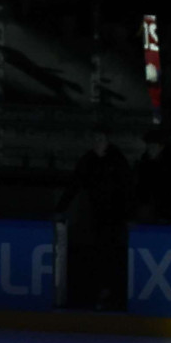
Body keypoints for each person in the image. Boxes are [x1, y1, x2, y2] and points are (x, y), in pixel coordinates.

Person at [57, 128, 132, 310]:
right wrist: (60, 208)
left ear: (108, 141)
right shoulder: (88, 160)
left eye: (101, 139)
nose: (97, 142)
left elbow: (127, 188)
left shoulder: (117, 160)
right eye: (95, 139)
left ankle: (112, 291)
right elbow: (74, 184)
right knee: (99, 251)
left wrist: (129, 215)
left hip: (116, 216)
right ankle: (102, 290)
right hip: (96, 215)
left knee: (112, 252)